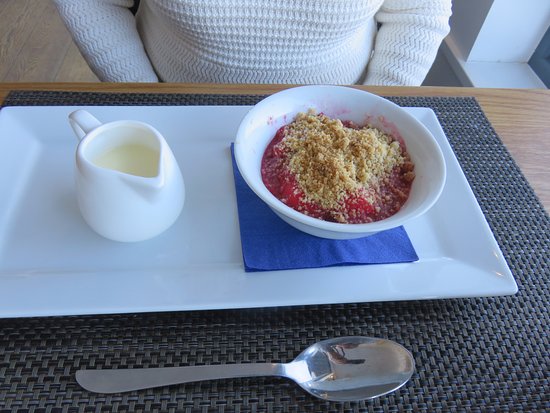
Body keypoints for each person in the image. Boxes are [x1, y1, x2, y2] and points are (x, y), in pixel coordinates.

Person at [53, 0, 452, 86]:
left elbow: (417, 12)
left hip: (343, 117)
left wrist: (375, 109)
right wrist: (145, 96)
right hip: (176, 106)